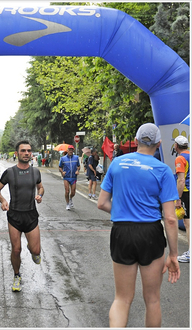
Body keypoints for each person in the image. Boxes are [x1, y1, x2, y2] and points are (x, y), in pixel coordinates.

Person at [97, 123, 180, 327]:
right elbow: (170, 218)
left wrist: (122, 212)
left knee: (122, 299)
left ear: (136, 140)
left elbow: (101, 203)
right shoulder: (163, 170)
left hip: (121, 231)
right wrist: (173, 255)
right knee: (152, 300)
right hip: (150, 232)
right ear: (159, 144)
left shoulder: (116, 163)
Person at [0, 140, 44, 292]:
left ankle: (32, 248)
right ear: (17, 153)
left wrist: (40, 195)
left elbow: (40, 187)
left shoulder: (35, 172)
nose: (26, 153)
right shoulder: (9, 172)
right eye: (23, 151)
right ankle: (16, 276)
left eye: (29, 151)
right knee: (16, 250)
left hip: (31, 216)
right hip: (14, 215)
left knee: (36, 251)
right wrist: (3, 200)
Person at [174, 135, 190, 263]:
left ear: (176, 146)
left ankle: (190, 253)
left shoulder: (180, 158)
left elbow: (181, 180)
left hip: (186, 192)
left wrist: (178, 199)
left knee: (188, 223)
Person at [58, 145, 80, 210]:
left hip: (73, 177)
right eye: (69, 149)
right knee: (67, 191)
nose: (70, 151)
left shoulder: (76, 158)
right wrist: (62, 172)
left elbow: (78, 166)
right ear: (67, 150)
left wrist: (77, 170)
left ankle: (70, 199)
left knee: (73, 192)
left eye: (72, 149)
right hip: (66, 177)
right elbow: (60, 167)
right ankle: (67, 204)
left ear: (73, 150)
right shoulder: (63, 158)